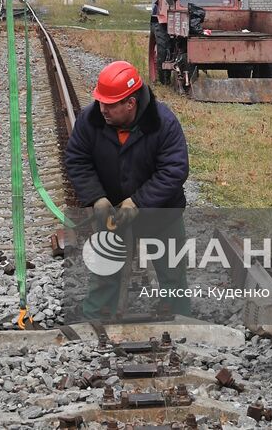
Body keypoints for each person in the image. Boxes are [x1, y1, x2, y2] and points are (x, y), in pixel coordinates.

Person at [64, 60, 191, 320]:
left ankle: (180, 320)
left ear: (130, 104)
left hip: (162, 214)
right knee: (104, 271)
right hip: (111, 214)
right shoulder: (90, 120)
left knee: (173, 274)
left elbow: (174, 170)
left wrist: (138, 202)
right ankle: (96, 319)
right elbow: (77, 159)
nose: (103, 109)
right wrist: (97, 198)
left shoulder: (164, 123)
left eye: (109, 105)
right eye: (100, 102)